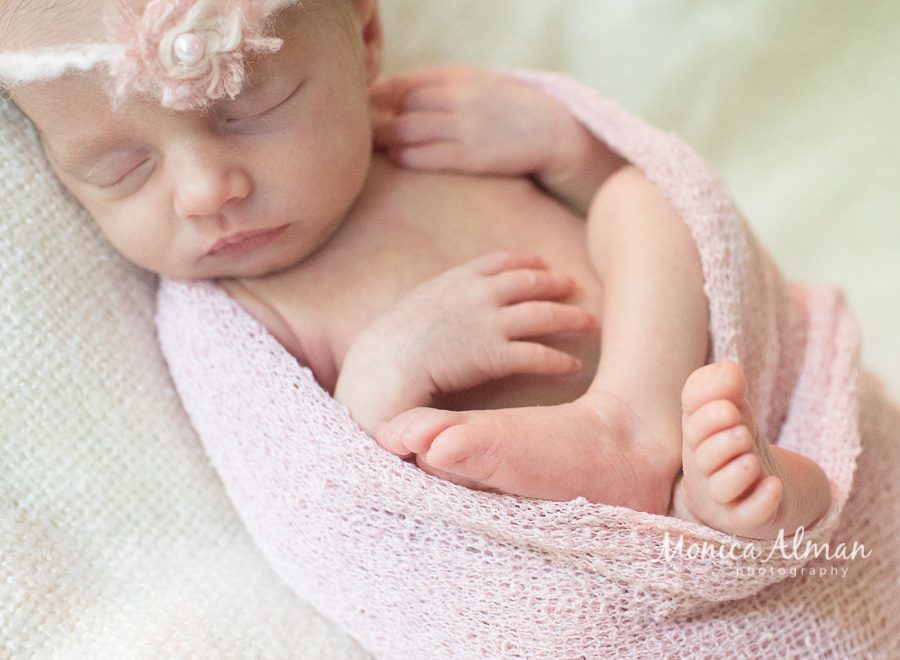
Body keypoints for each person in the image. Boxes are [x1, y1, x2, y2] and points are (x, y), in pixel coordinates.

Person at [1, 0, 832, 540]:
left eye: (250, 110)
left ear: (364, 40)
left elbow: (664, 208)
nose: (205, 191)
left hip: (692, 380)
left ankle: (657, 437)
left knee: (639, 199)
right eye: (121, 169)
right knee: (743, 495)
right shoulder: (239, 313)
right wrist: (389, 365)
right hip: (549, 527)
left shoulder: (431, 125)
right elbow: (323, 496)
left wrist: (566, 147)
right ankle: (717, 514)